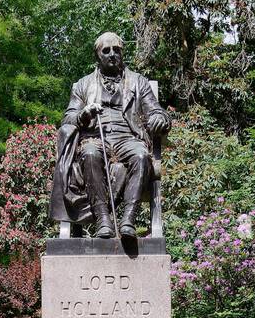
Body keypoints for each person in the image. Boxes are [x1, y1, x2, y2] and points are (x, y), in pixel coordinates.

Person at [49, 32, 171, 238]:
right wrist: (83, 114)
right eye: (106, 50)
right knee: (88, 153)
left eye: (117, 50)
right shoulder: (83, 84)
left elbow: (156, 111)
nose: (112, 54)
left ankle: (128, 220)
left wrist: (160, 119)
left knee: (141, 155)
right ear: (98, 55)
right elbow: (68, 119)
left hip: (128, 138)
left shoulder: (137, 82)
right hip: (96, 138)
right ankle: (103, 219)